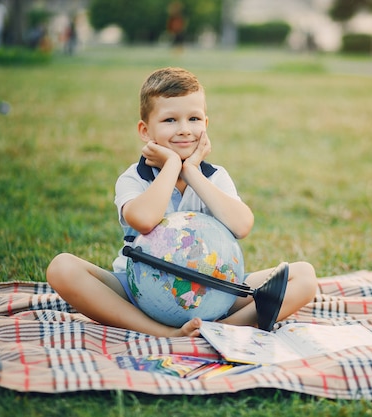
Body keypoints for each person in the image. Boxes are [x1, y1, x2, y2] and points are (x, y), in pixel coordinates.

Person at [46, 67, 318, 338]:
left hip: (214, 290)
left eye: (194, 119)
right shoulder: (133, 178)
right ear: (145, 130)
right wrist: (172, 165)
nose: (184, 130)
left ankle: (220, 330)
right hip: (141, 292)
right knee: (62, 268)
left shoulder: (214, 177)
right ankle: (161, 332)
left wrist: (191, 172)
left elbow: (242, 225)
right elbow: (144, 220)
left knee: (304, 277)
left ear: (206, 125)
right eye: (170, 120)